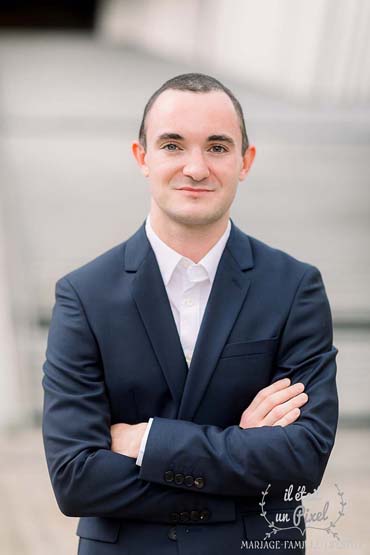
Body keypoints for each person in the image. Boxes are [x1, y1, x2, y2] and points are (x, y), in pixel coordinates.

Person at [42, 73, 338, 555]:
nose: (196, 168)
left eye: (218, 147)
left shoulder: (294, 287)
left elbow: (302, 460)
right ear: (143, 157)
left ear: (246, 161)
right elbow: (76, 479)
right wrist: (240, 457)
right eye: (173, 145)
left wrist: (148, 442)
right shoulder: (83, 295)